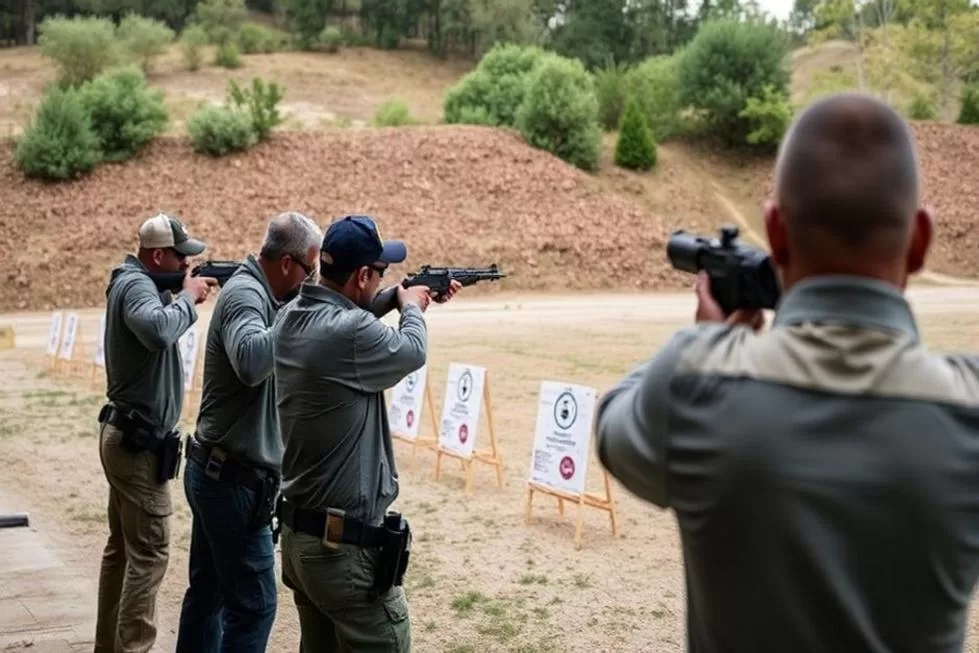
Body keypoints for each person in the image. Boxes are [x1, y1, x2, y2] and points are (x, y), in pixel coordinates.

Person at [595, 91, 979, 653]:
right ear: (920, 241)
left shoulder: (695, 383)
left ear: (774, 233)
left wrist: (707, 340)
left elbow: (611, 427)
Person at [272, 215, 462, 652]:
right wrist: (412, 307)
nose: (382, 279)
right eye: (379, 273)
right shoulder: (352, 333)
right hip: (343, 551)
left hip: (304, 540)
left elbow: (343, 313)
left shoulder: (291, 317)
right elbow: (410, 350)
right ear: (361, 276)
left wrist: (395, 296)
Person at [174, 211, 322, 653]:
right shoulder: (244, 295)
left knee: (208, 597)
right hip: (232, 483)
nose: (311, 281)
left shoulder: (265, 296)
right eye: (309, 270)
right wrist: (302, 307)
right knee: (254, 608)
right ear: (285, 264)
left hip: (222, 475)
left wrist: (393, 299)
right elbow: (253, 362)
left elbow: (327, 313)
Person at [95, 212, 216, 653]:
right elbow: (158, 330)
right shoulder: (135, 286)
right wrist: (186, 299)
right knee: (148, 557)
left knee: (122, 554)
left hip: (127, 436)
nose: (187, 267)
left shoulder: (136, 283)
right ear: (159, 255)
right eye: (181, 259)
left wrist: (180, 295)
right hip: (137, 443)